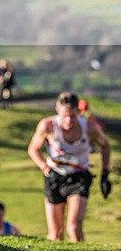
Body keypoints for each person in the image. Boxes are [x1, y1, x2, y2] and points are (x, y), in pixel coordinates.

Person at [27, 92, 112, 242]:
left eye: (72, 116)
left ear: (79, 112)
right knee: (55, 233)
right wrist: (45, 168)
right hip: (54, 176)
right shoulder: (48, 126)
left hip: (78, 177)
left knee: (73, 227)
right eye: (64, 116)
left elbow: (105, 146)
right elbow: (33, 149)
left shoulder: (90, 127)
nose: (68, 121)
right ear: (57, 110)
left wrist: (105, 174)